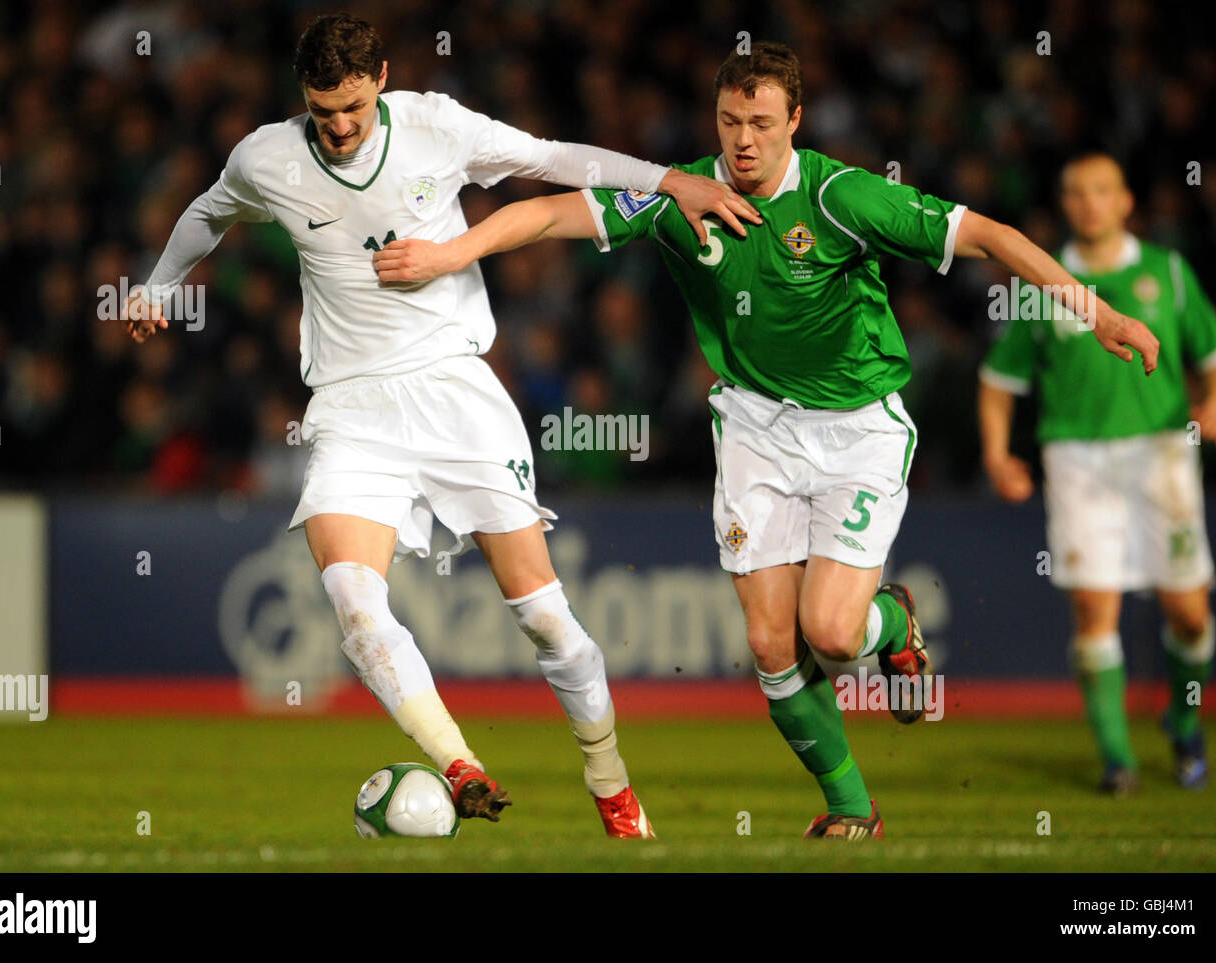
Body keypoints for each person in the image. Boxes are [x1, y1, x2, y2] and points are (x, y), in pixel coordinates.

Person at [373, 42, 1160, 838]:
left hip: (857, 428)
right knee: (769, 641)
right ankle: (852, 805)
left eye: (760, 123)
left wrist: (1098, 312)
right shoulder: (681, 195)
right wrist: (450, 252)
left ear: (795, 122)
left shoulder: (840, 197)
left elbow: (987, 234)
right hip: (753, 425)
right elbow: (547, 211)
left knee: (832, 632)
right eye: (728, 121)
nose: (742, 140)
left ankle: (890, 623)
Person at [122, 13, 761, 837]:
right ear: (304, 101)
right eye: (324, 113)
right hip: (352, 406)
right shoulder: (268, 157)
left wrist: (674, 181)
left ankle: (612, 786)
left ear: (381, 77)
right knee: (352, 601)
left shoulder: (437, 126)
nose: (342, 128)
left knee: (543, 616)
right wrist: (159, 285)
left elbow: (551, 158)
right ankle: (460, 764)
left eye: (353, 107)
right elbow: (210, 212)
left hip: (456, 393)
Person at [979, 152, 1216, 794]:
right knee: (1095, 608)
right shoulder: (1045, 283)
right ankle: (1118, 760)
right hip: (1076, 459)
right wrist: (996, 452)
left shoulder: (1167, 272)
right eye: (1075, 192)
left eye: (1101, 190)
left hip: (1161, 455)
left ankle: (1182, 719)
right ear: (1065, 205)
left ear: (1125, 202)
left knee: (1191, 617)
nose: (1088, 202)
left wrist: (1215, 404)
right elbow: (998, 378)